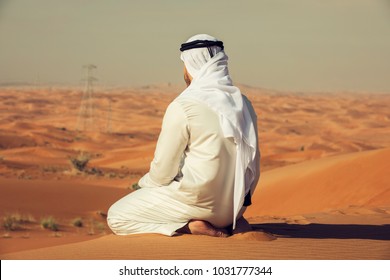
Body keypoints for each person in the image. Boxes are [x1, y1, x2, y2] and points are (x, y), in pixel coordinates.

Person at [107, 34, 260, 237]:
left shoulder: (184, 105)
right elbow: (253, 163)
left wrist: (145, 185)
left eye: (184, 65)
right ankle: (231, 224)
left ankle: (188, 226)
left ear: (191, 65)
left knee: (117, 216)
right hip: (235, 208)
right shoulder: (243, 104)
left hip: (196, 203)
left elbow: (163, 171)